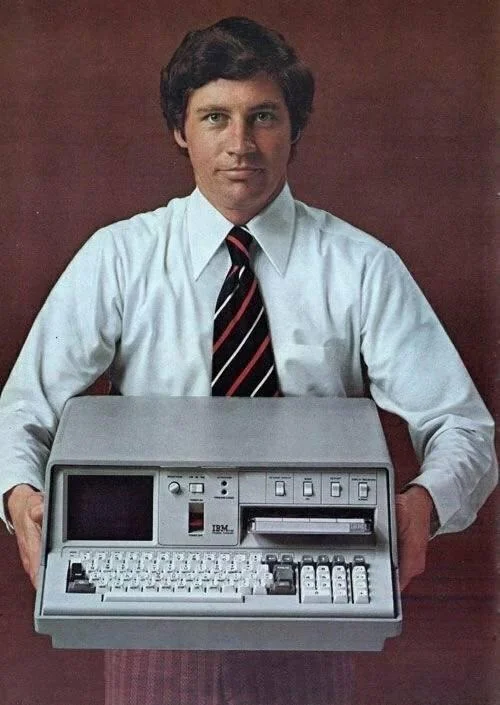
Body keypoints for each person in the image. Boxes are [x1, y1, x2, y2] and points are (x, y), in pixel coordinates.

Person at [1, 15, 497, 705]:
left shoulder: (361, 268)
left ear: (295, 127)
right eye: (214, 117)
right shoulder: (118, 259)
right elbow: (21, 410)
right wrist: (20, 495)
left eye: (262, 116)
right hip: (154, 612)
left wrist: (424, 505)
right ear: (181, 129)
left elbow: (463, 426)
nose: (240, 144)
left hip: (313, 607)